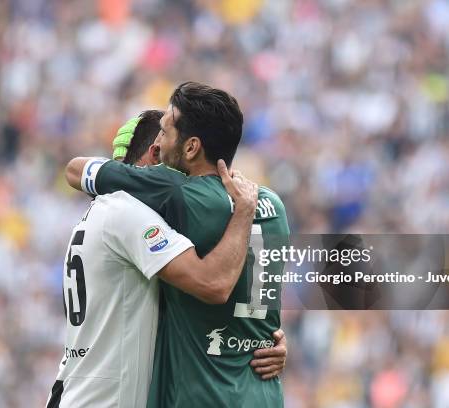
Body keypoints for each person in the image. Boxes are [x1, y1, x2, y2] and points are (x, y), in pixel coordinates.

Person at [66, 82, 291, 407]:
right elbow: (259, 308)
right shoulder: (273, 205)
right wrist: (268, 342)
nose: (159, 141)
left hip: (201, 396)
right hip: (265, 395)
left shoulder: (174, 193)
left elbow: (75, 170)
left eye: (165, 131)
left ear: (191, 147)